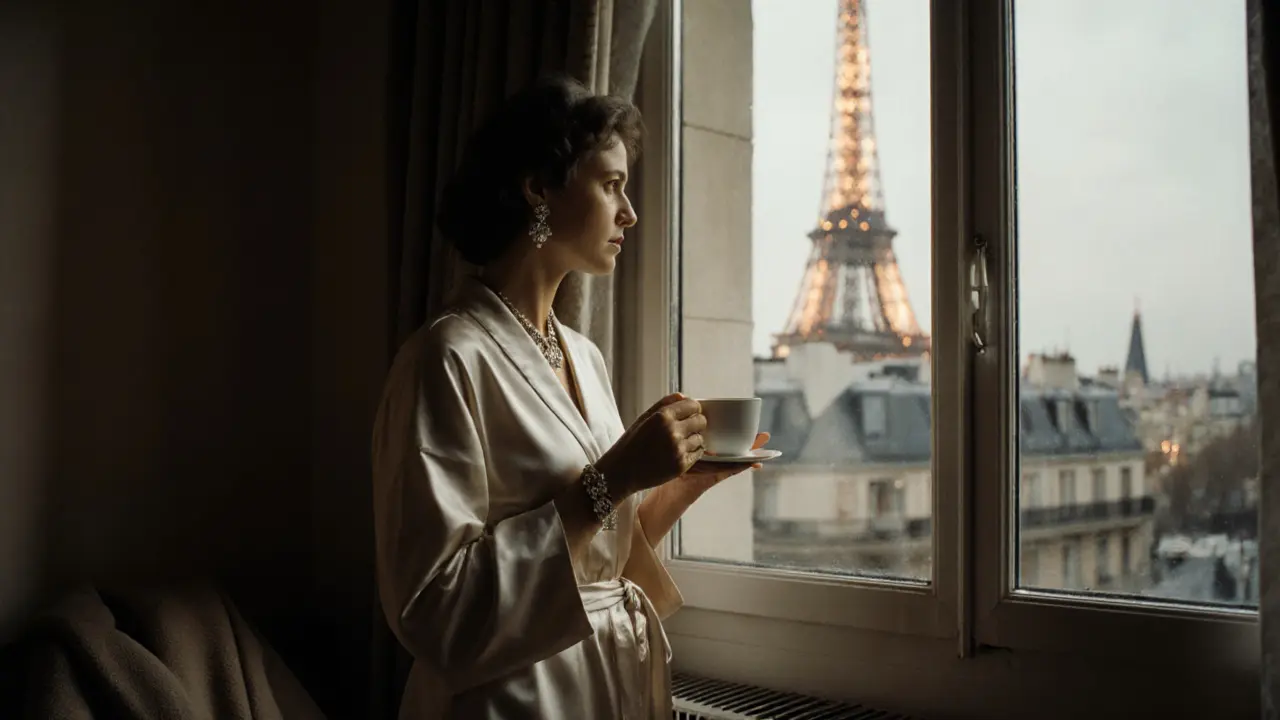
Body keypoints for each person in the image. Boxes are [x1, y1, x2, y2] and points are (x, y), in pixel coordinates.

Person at [371, 76, 769, 719]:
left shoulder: (583, 356)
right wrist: (612, 478)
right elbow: (434, 611)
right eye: (611, 185)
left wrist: (674, 487)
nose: (630, 212)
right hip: (508, 697)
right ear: (538, 188)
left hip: (600, 684)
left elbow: (595, 552)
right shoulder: (444, 360)